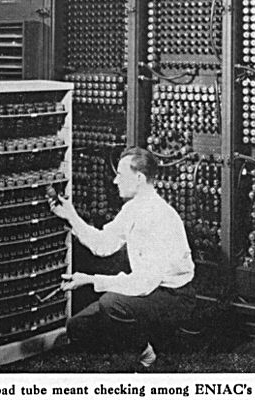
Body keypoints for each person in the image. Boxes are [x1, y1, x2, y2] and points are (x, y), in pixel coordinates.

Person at [49, 146, 196, 368]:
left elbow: (143, 284)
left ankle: (145, 357)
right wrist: (71, 215)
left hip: (173, 296)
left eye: (120, 175)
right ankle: (121, 360)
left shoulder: (158, 216)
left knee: (112, 304)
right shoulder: (134, 208)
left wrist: (90, 279)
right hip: (149, 288)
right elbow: (103, 244)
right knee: (78, 326)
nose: (115, 181)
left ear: (138, 178)